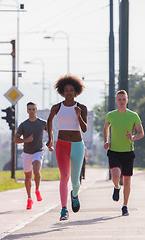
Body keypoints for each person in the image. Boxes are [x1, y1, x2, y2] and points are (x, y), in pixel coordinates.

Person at [46, 75, 88, 221]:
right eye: (66, 90)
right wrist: (50, 138)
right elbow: (49, 120)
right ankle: (64, 209)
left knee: (75, 181)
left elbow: (84, 129)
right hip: (62, 145)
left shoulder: (81, 108)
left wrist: (79, 116)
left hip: (77, 146)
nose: (69, 92)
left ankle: (74, 195)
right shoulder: (57, 107)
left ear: (76, 91)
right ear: (62, 92)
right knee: (64, 176)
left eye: (71, 90)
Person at [103, 90, 144, 216]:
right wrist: (106, 141)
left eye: (123, 99)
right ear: (116, 101)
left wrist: (132, 137)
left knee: (127, 180)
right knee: (115, 174)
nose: (121, 101)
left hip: (128, 152)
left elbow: (141, 133)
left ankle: (125, 206)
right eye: (119, 99)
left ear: (127, 101)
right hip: (114, 150)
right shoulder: (111, 115)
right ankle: (116, 187)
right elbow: (105, 128)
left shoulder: (133, 116)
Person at [15, 102, 51, 210]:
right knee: (28, 177)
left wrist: (51, 141)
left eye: (33, 109)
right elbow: (16, 140)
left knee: (36, 169)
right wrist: (26, 140)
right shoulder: (23, 125)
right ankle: (29, 199)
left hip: (38, 151)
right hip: (27, 153)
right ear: (27, 111)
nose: (31, 111)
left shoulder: (42, 123)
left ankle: (37, 190)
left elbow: (50, 132)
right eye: (29, 109)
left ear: (37, 110)